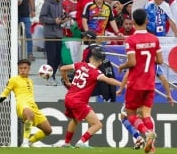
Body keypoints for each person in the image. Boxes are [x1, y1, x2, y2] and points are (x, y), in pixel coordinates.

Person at [118, 9, 163, 154]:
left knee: (128, 114)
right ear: (146, 21)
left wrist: (122, 66)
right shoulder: (154, 39)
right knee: (146, 114)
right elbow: (160, 61)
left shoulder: (130, 40)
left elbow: (131, 62)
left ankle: (146, 132)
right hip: (149, 82)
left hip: (136, 82)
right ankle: (152, 148)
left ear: (132, 22)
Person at [60, 46, 121, 148]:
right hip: (79, 101)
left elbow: (63, 68)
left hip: (69, 98)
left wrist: (67, 81)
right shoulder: (95, 73)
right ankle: (81, 142)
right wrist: (123, 84)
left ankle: (66, 143)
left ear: (89, 58)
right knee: (97, 125)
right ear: (101, 62)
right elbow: (108, 80)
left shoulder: (80, 65)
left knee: (75, 119)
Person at [0, 59, 52, 147]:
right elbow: (6, 91)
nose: (22, 70)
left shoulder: (30, 81)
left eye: (25, 68)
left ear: (29, 69)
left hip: (33, 107)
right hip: (22, 105)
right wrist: (0, 98)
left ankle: (30, 142)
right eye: (20, 68)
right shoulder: (14, 79)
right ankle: (24, 143)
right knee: (29, 112)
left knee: (48, 130)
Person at [116, 65, 174, 150]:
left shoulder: (137, 60)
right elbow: (164, 80)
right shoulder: (155, 65)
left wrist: (121, 88)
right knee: (145, 114)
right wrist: (169, 94)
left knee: (124, 116)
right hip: (148, 92)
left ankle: (142, 135)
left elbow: (127, 75)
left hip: (135, 91)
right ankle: (150, 144)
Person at [39, 0, 66, 86]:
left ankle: (52, 75)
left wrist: (63, 19)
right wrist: (54, 21)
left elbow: (59, 18)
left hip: (59, 33)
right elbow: (42, 18)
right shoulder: (47, 3)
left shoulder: (60, 3)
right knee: (51, 57)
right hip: (50, 33)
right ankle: (48, 77)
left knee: (58, 58)